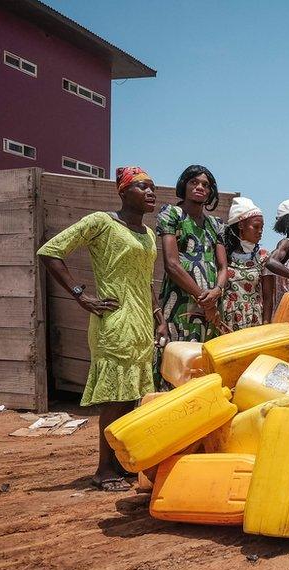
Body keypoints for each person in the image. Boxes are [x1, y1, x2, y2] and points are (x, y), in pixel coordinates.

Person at [37, 167, 161, 491]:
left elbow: (145, 279)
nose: (150, 193)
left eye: (152, 188)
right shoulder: (101, 222)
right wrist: (80, 295)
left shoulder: (148, 235)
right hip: (114, 321)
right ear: (122, 192)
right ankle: (104, 469)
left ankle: (123, 463)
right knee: (114, 400)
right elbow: (51, 252)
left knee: (133, 397)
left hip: (141, 324)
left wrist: (159, 315)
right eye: (141, 187)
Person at [156, 164, 227, 388]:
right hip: (181, 304)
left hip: (213, 306)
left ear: (211, 192)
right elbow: (172, 265)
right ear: (184, 185)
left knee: (205, 362)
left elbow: (223, 266)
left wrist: (216, 292)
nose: (200, 187)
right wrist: (203, 298)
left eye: (205, 185)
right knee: (177, 362)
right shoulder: (172, 214)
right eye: (194, 182)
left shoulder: (215, 224)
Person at [220, 197, 273, 331]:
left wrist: (266, 326)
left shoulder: (263, 257)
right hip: (226, 320)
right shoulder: (223, 255)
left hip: (254, 321)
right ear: (240, 225)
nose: (260, 231)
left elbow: (268, 297)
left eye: (262, 227)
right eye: (255, 226)